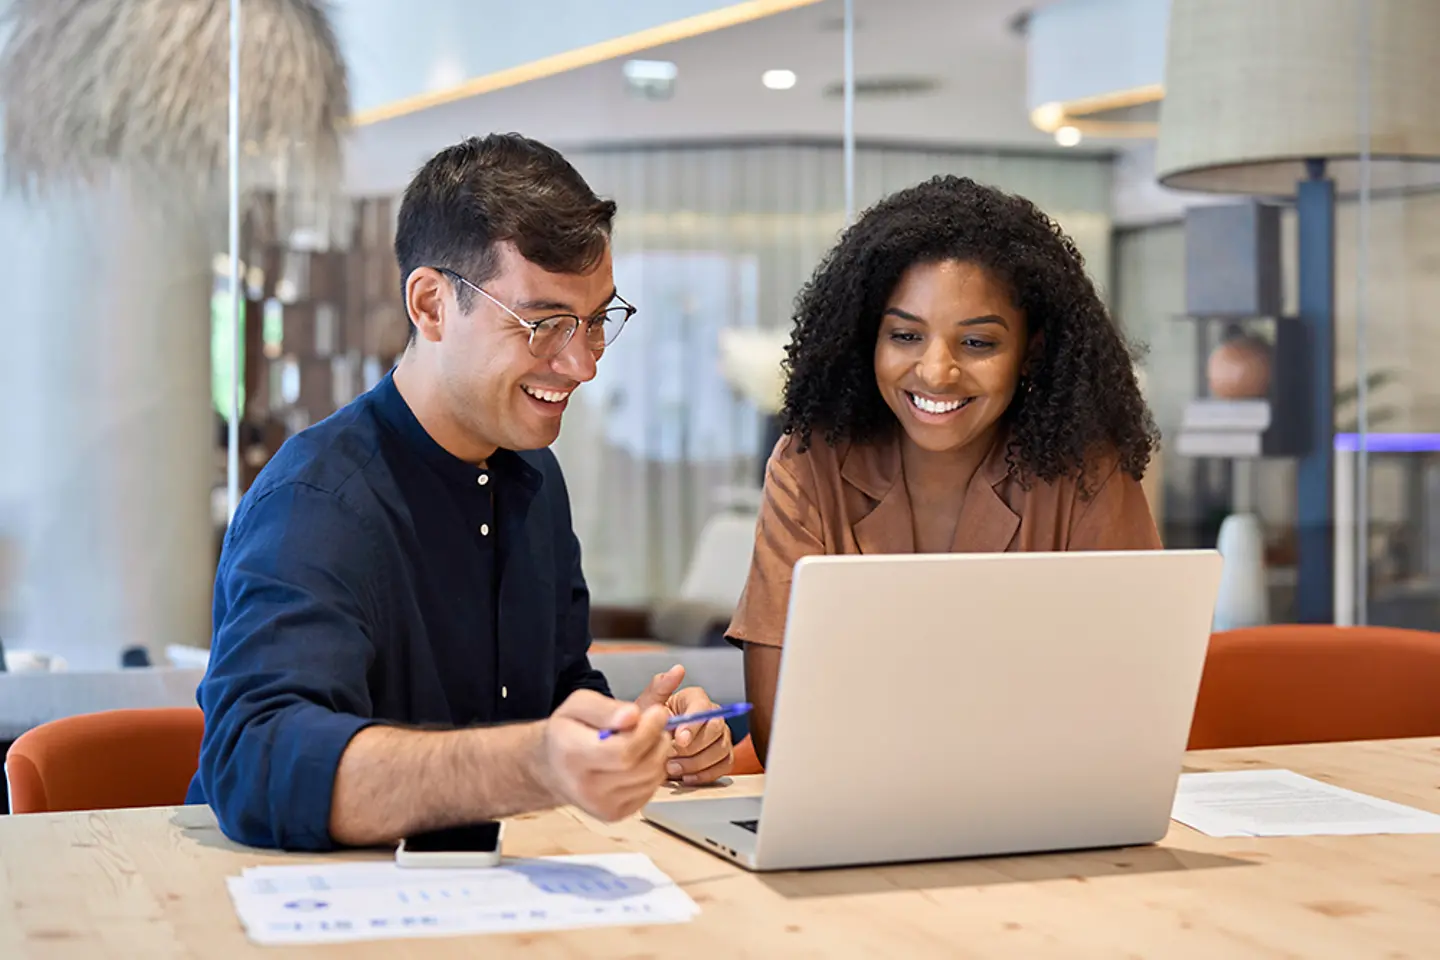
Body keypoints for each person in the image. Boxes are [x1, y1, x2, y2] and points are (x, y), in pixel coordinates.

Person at [189, 133, 734, 851]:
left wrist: (630, 737)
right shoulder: (315, 502)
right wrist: (532, 764)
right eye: (544, 325)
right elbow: (256, 762)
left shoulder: (536, 478)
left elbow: (559, 686)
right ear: (432, 305)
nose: (582, 365)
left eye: (597, 321)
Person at [727, 175, 1162, 765]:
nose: (936, 372)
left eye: (978, 343)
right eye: (905, 335)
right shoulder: (810, 465)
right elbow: (782, 734)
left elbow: (1126, 711)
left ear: (1030, 350)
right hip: (851, 815)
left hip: (1043, 815)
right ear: (867, 340)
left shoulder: (1088, 471)